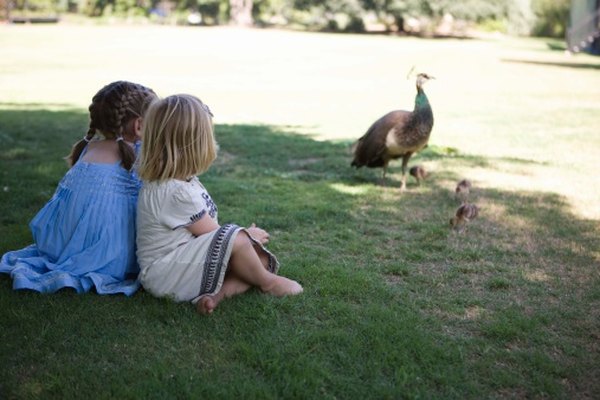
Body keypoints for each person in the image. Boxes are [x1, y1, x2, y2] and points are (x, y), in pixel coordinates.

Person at [136, 94, 303, 314]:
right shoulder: (174, 193)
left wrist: (245, 242)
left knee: (256, 258)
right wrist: (248, 236)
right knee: (241, 243)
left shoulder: (182, 182)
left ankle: (215, 296)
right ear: (193, 147)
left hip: (182, 264)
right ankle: (268, 282)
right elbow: (218, 235)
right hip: (166, 274)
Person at [0, 81, 157, 296]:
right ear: (139, 125)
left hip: (60, 238)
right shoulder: (137, 156)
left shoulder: (89, 147)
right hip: (105, 246)